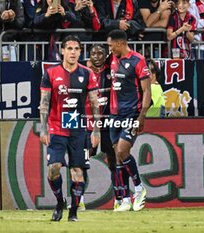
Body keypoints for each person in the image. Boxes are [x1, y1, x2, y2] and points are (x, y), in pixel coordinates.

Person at [39, 35, 100, 222]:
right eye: (70, 48)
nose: (73, 52)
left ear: (80, 52)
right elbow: (44, 102)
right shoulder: (50, 73)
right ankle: (59, 202)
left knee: (78, 171)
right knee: (53, 168)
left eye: (77, 49)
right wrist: (43, 128)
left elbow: (94, 103)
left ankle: (73, 211)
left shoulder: (88, 73)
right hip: (57, 128)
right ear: (62, 51)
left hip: (79, 130)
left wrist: (96, 130)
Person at [107, 29, 151, 211]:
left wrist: (142, 116)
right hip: (114, 114)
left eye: (110, 46)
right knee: (118, 157)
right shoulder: (114, 60)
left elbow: (147, 90)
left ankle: (140, 189)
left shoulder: (138, 60)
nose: (109, 49)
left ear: (120, 43)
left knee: (124, 151)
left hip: (132, 113)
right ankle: (125, 198)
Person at [81, 44, 122, 211]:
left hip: (108, 125)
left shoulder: (111, 72)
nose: (97, 56)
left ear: (107, 55)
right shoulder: (83, 72)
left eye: (101, 53)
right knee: (82, 161)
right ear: (88, 55)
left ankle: (120, 199)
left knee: (114, 161)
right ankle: (79, 200)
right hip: (88, 125)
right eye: (93, 53)